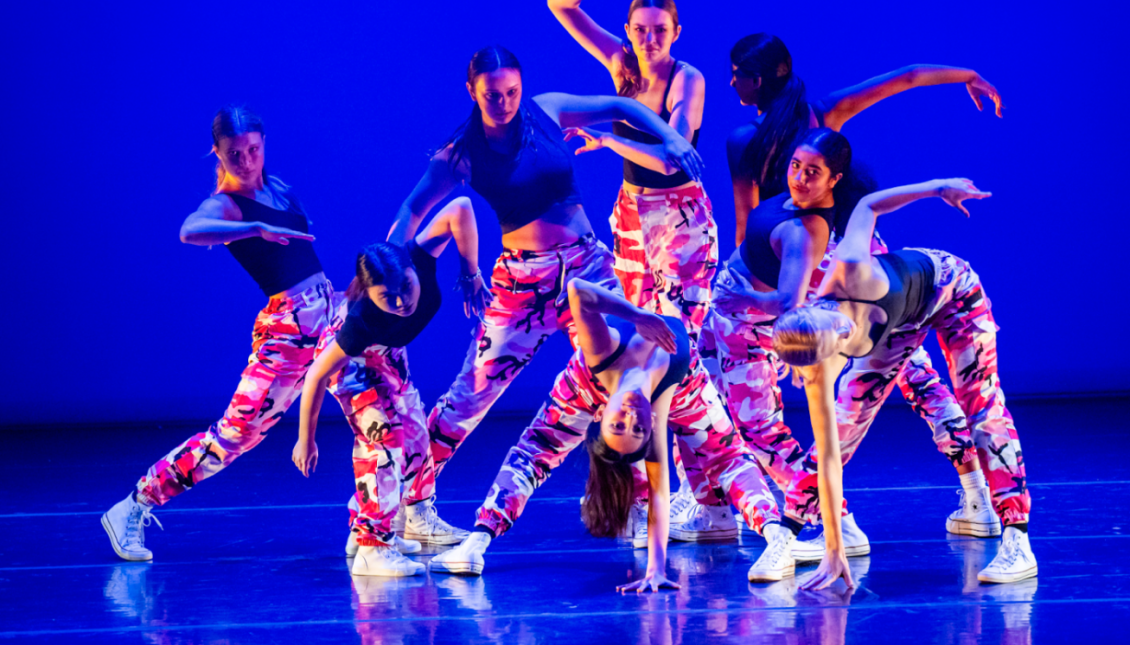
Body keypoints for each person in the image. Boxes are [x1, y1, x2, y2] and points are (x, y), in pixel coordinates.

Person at [387, 46, 703, 541]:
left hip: (587, 264)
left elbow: (620, 106)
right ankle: (406, 503)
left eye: (512, 91)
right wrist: (392, 269)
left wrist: (669, 138)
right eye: (493, 95)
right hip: (522, 282)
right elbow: (409, 211)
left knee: (621, 382)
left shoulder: (546, 108)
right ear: (471, 91)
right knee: (469, 397)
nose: (505, 102)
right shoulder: (461, 155)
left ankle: (642, 508)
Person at [428, 278, 801, 589]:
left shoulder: (601, 351)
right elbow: (659, 489)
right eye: (636, 427)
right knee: (536, 451)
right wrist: (656, 568)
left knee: (727, 458)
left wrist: (636, 315)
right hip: (672, 384)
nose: (629, 415)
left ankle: (776, 537)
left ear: (601, 415)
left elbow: (577, 291)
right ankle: (476, 542)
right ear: (651, 427)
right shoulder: (653, 409)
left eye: (618, 425)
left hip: (614, 382)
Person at [772, 179, 1035, 588]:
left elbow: (868, 205)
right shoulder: (822, 365)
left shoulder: (851, 267)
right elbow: (828, 455)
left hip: (952, 290)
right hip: (899, 324)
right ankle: (790, 531)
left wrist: (938, 188)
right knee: (844, 424)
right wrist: (833, 551)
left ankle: (1017, 539)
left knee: (981, 406)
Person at [101, 107, 335, 562]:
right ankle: (134, 504)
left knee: (382, 405)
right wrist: (254, 227)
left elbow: (307, 266)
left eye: (253, 150)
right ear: (218, 153)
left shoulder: (280, 188)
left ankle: (388, 523)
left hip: (329, 318)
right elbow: (189, 231)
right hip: (288, 333)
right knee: (235, 435)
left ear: (264, 144)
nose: (246, 161)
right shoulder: (226, 203)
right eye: (235, 154)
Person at [291, 197, 490, 576]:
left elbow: (461, 207)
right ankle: (371, 548)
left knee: (416, 435)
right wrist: (306, 438)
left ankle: (410, 519)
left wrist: (471, 272)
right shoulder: (362, 321)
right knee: (384, 437)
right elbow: (316, 375)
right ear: (369, 294)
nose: (401, 302)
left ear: (412, 269)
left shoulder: (417, 254)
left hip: (389, 354)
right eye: (387, 297)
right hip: (349, 364)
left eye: (405, 287)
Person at [546, 0, 716, 340]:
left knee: (680, 330)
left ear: (676, 32)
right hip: (631, 209)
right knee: (640, 324)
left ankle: (698, 403)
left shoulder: (687, 80)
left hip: (679, 214)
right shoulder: (621, 62)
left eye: (659, 30)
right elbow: (558, 2)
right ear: (628, 30)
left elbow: (667, 158)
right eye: (640, 30)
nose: (649, 40)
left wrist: (608, 141)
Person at [725, 33, 1003, 245]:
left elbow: (746, 226)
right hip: (851, 251)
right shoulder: (825, 113)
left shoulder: (744, 139)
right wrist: (970, 75)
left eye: (735, 74)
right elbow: (910, 77)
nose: (731, 82)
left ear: (757, 81)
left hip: (794, 258)